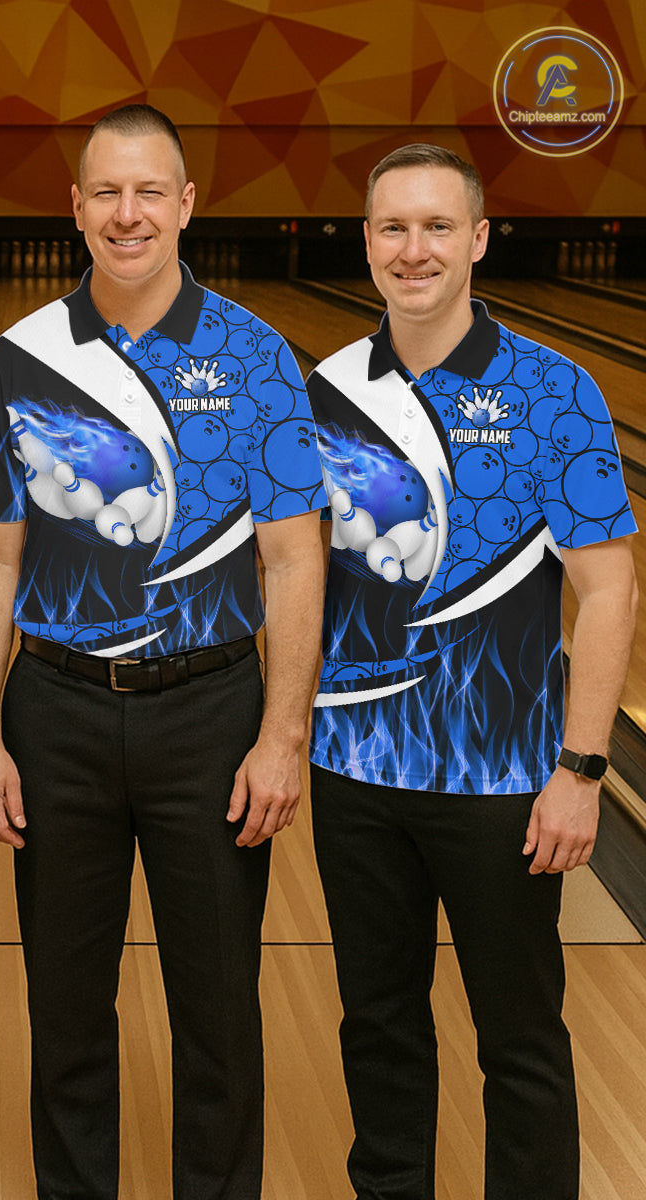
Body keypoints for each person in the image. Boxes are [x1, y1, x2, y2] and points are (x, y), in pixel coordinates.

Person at [0, 104, 326, 1199]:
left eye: (149, 191)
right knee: (66, 1011)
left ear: (186, 205)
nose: (128, 214)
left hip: (211, 714)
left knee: (219, 1013)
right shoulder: (22, 358)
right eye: (107, 193)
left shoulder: (255, 355)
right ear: (75, 209)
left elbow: (294, 559)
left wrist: (283, 736)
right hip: (57, 710)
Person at [305, 144, 638, 1200]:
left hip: (502, 783)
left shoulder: (556, 390)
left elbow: (611, 590)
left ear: (480, 239)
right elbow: (292, 578)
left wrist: (581, 770)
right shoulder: (326, 393)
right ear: (367, 242)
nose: (415, 250)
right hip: (355, 774)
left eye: (438, 226)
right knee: (378, 1025)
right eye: (393, 228)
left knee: (519, 1036)